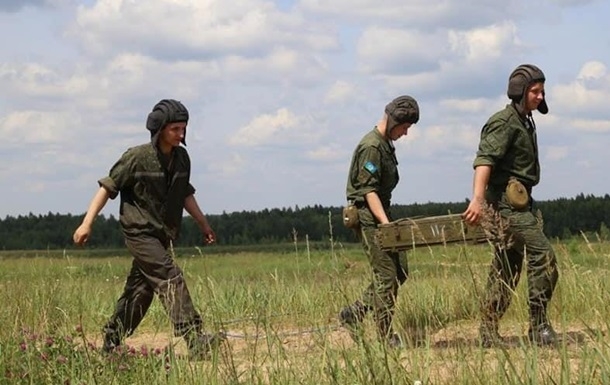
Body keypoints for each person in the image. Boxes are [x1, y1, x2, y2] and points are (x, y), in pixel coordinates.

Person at [73, 99, 224, 359]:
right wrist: (87, 223)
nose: (181, 134)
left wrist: (203, 224)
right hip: (139, 232)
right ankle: (194, 338)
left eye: (183, 128)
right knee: (169, 276)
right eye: (175, 128)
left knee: (141, 292)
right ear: (160, 128)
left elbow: (185, 193)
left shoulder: (182, 158)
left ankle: (111, 342)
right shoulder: (136, 157)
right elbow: (107, 187)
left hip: (162, 234)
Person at [463, 64, 559, 347]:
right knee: (543, 255)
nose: (541, 96)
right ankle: (538, 325)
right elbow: (484, 161)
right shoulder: (504, 122)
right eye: (535, 91)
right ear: (520, 91)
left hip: (519, 203)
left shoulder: (525, 120)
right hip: (507, 207)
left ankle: (488, 333)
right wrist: (478, 200)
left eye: (542, 91)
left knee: (508, 268)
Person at [339, 95, 420, 347]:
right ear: (394, 120)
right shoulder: (372, 146)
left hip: (380, 213)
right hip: (370, 216)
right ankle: (385, 336)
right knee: (386, 275)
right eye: (404, 127)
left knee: (400, 271)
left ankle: (355, 312)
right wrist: (386, 223)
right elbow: (368, 191)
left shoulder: (384, 144)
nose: (406, 133)